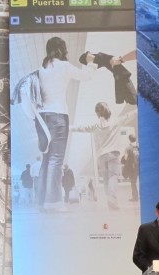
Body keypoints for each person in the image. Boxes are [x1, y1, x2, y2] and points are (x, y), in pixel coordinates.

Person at [36, 36, 94, 212]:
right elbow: (87, 76)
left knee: (47, 159)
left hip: (42, 117)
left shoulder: (41, 69)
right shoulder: (63, 66)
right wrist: (90, 61)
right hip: (58, 115)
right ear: (61, 49)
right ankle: (53, 201)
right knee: (56, 159)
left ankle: (42, 201)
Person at [71, 102, 135, 210]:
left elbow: (81, 128)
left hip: (101, 155)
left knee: (106, 179)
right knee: (113, 177)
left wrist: (68, 127)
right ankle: (112, 199)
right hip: (113, 153)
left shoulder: (95, 126)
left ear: (97, 113)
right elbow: (129, 115)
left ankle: (109, 199)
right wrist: (138, 109)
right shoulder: (116, 121)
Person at [121, 134, 139, 201]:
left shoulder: (128, 148)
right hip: (139, 166)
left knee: (133, 182)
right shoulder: (138, 146)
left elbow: (125, 158)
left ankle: (135, 197)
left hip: (132, 167)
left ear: (129, 139)